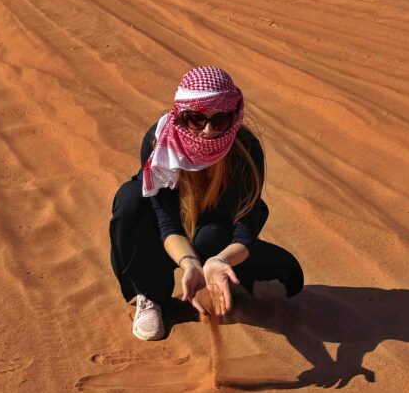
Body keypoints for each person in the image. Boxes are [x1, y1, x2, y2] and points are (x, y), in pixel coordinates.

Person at [109, 65, 304, 340]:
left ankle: (216, 271)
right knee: (130, 202)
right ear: (181, 116)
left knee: (291, 279)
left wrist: (218, 260)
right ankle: (150, 295)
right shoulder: (158, 143)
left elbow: (244, 227)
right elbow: (167, 222)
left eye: (220, 119)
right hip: (171, 225)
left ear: (234, 116)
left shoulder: (246, 149)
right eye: (196, 120)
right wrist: (189, 264)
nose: (209, 131)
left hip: (214, 226)